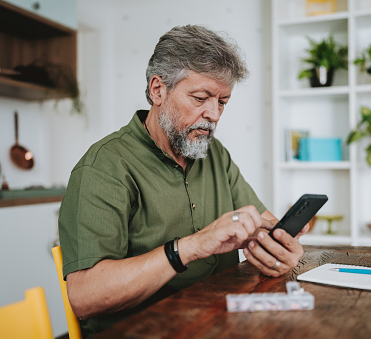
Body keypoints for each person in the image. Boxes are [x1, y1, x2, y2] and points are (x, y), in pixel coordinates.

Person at [58, 24, 307, 337]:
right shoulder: (104, 167)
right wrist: (191, 246)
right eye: (201, 97)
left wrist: (281, 249)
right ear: (158, 90)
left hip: (216, 321)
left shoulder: (214, 153)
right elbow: (85, 297)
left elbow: (264, 223)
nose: (214, 114)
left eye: (222, 102)